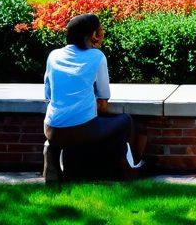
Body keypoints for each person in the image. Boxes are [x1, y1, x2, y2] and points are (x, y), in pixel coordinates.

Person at [42, 13, 145, 183]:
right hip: (84, 129)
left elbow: (48, 96)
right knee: (124, 121)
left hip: (52, 129)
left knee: (92, 128)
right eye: (99, 30)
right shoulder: (97, 57)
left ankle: (58, 170)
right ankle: (129, 167)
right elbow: (104, 99)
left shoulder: (53, 55)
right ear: (93, 35)